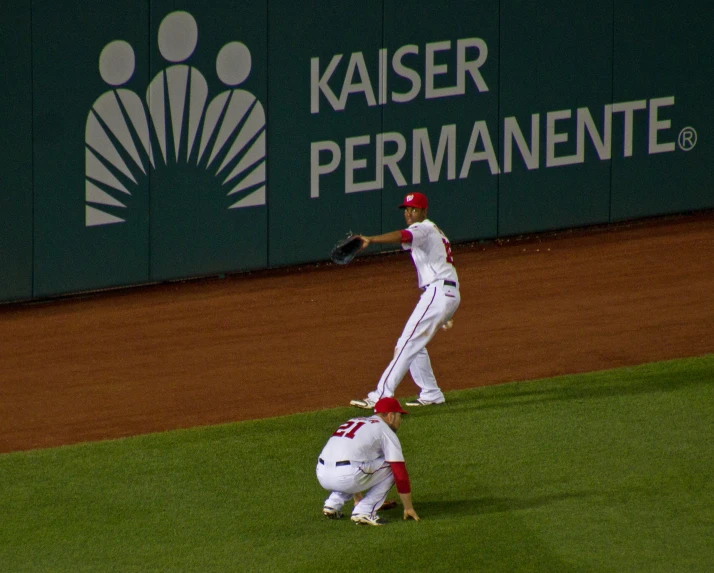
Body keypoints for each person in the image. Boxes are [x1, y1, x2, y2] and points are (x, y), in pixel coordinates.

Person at [350, 192, 460, 409]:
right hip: (446, 293)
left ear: (424, 211)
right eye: (407, 209)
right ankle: (431, 393)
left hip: (438, 292)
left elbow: (403, 236)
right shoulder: (435, 231)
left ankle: (380, 394)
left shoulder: (424, 228)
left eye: (414, 209)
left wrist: (371, 239)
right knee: (412, 343)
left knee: (407, 343)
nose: (409, 213)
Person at [316, 397, 420, 526]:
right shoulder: (384, 430)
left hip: (322, 474)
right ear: (390, 416)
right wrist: (408, 507)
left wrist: (357, 498)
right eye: (399, 416)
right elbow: (400, 473)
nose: (400, 421)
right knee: (391, 467)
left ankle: (332, 504)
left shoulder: (354, 421)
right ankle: (364, 511)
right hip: (347, 475)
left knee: (356, 466)